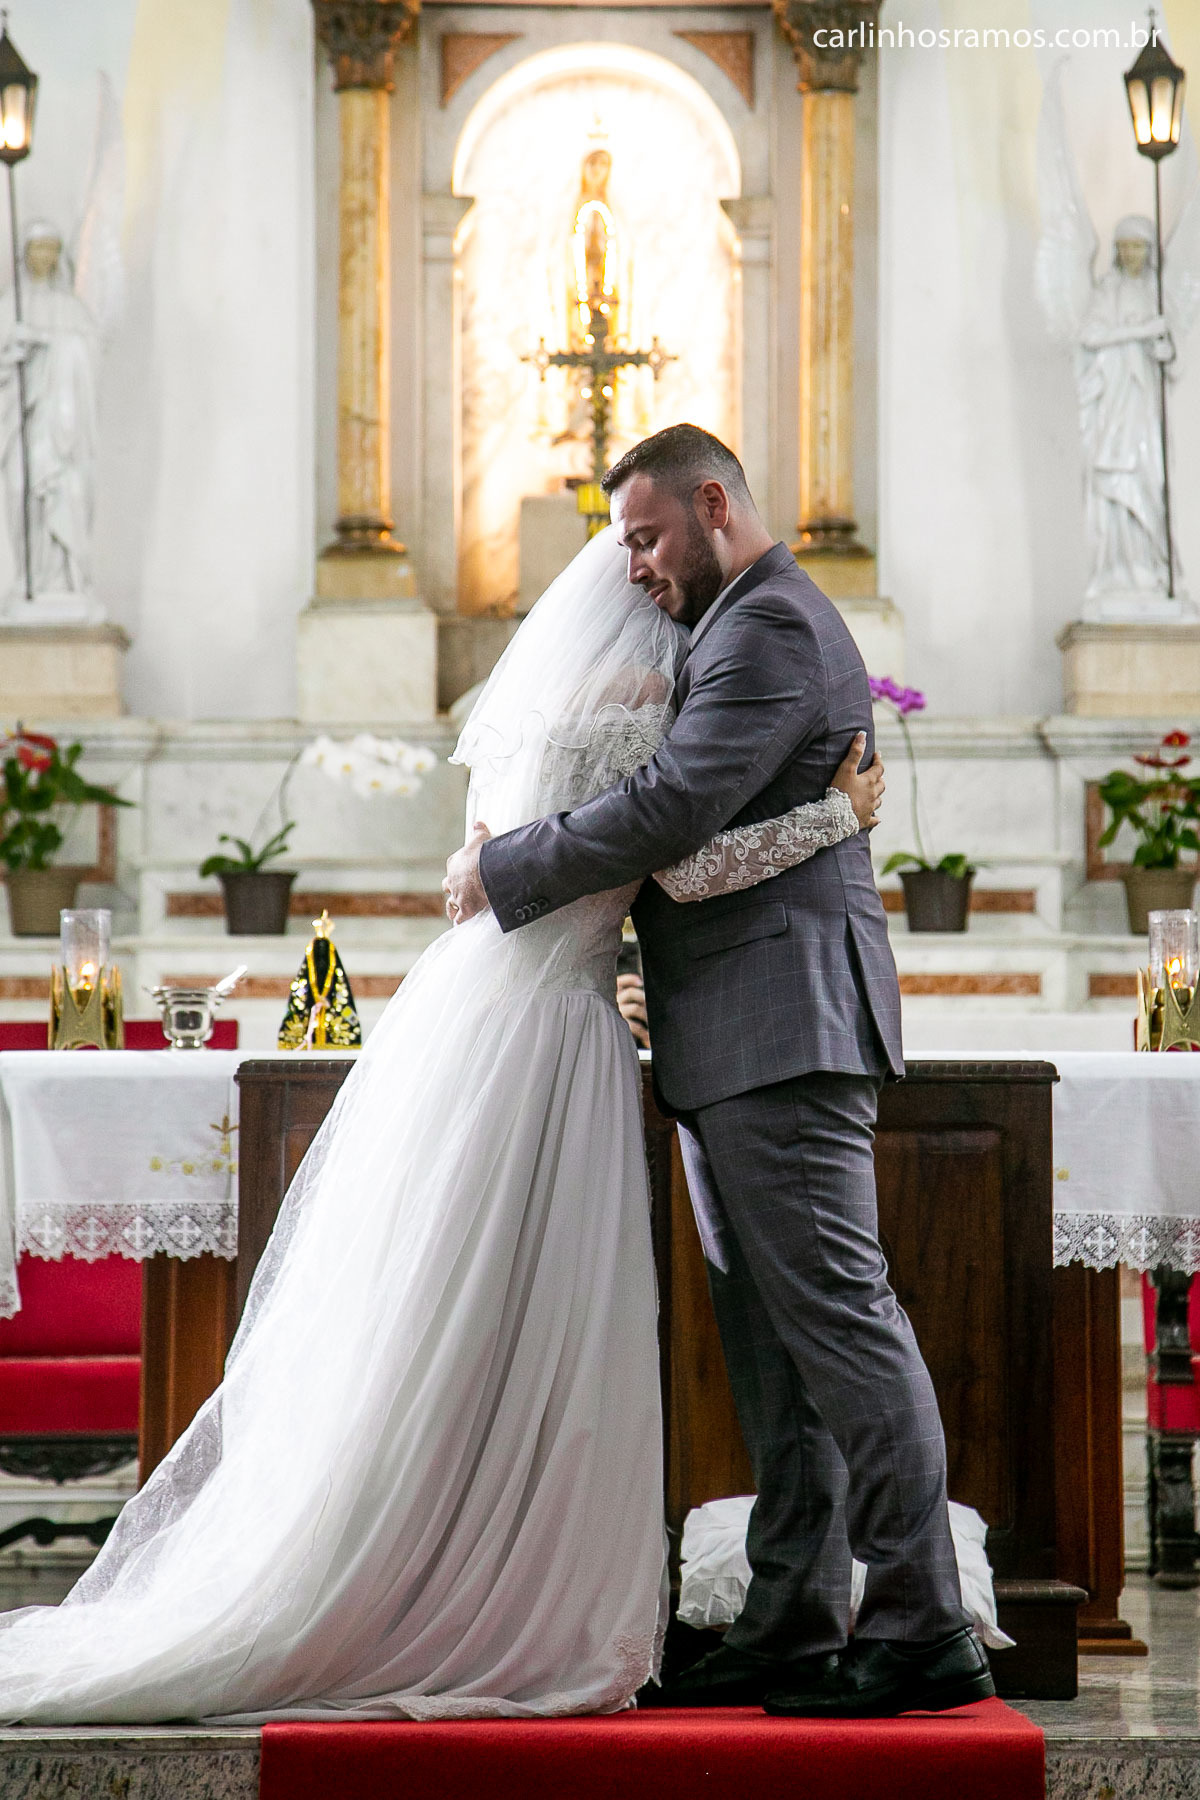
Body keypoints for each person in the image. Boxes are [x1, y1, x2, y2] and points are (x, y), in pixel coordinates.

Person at [0, 518, 881, 1724]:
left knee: (457, 1308)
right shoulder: (651, 701)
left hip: (497, 1013)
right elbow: (673, 852)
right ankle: (521, 1596)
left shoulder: (538, 710)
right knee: (546, 1319)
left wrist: (520, 873)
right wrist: (834, 816)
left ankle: (431, 1560)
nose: (652, 577)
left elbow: (530, 855)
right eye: (641, 555)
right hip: (557, 1031)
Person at [446, 423, 993, 1720]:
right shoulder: (724, 631)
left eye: (645, 537)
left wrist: (505, 866)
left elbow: (675, 808)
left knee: (844, 1328)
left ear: (713, 505)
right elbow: (698, 838)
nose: (633, 565)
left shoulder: (770, 628)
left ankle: (921, 1625)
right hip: (734, 1033)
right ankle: (792, 1617)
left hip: (783, 1031)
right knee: (776, 1354)